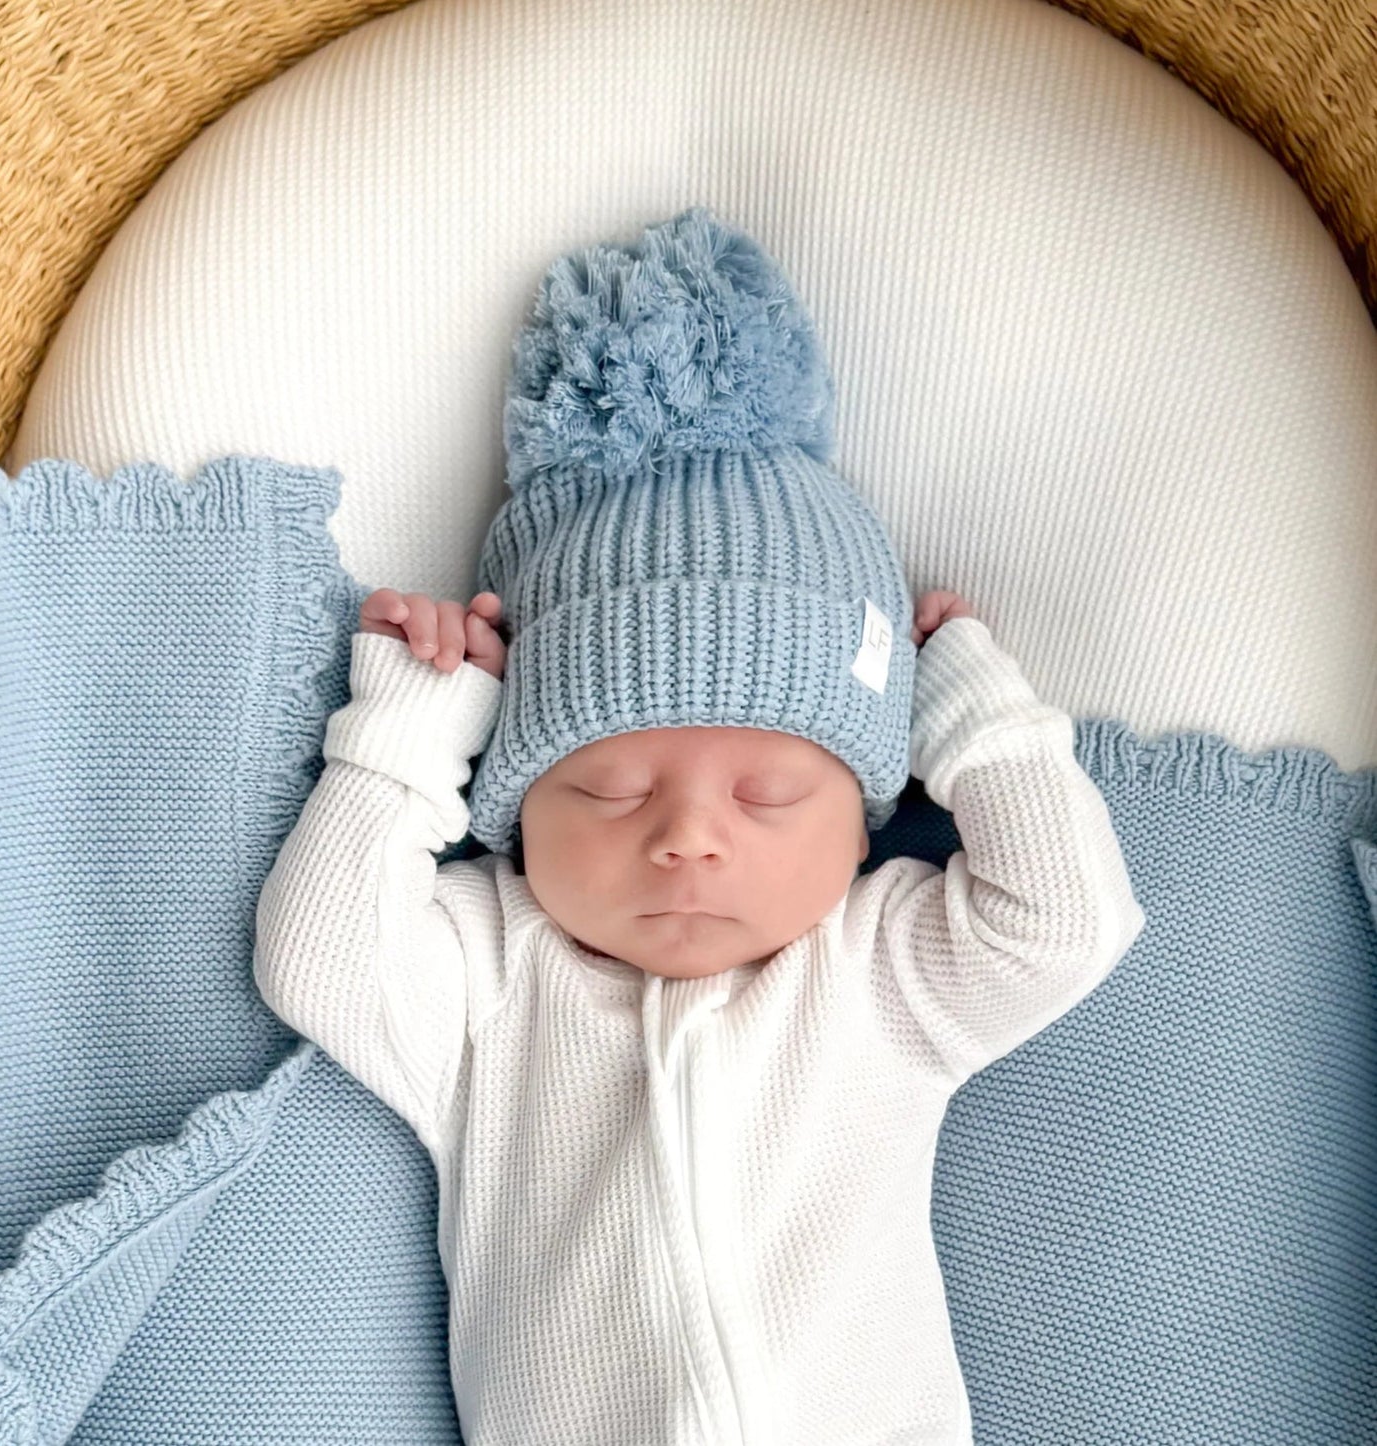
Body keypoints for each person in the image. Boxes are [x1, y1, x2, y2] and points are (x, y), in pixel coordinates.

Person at [253, 207, 1146, 1445]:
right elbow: (319, 961)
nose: (685, 839)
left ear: (865, 817)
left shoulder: (877, 969)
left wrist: (975, 726)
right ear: (512, 805)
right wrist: (410, 734)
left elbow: (1068, 922)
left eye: (770, 795)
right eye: (608, 791)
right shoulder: (488, 978)